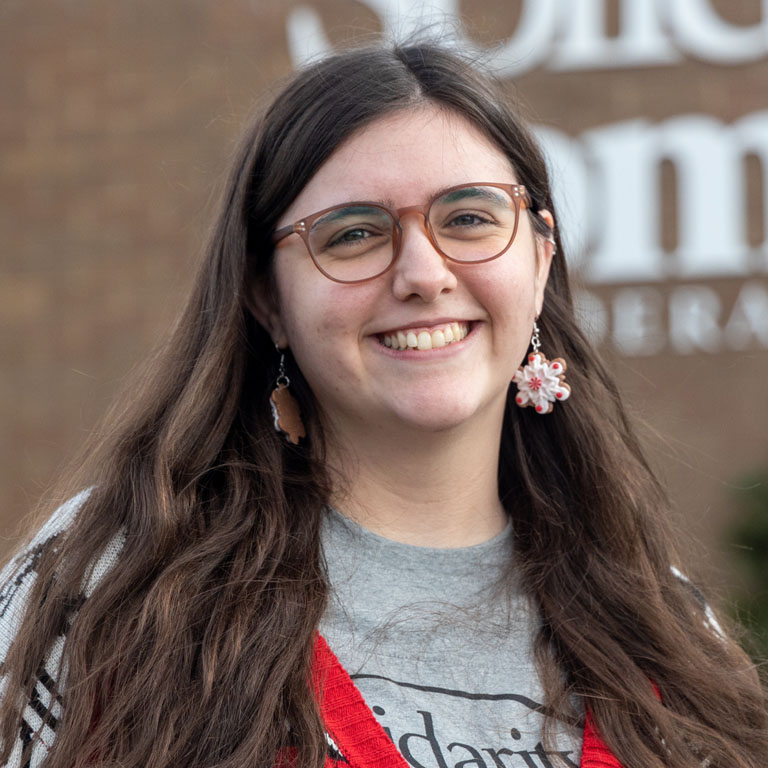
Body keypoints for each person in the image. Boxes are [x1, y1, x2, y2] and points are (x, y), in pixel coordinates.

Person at [0, 41, 765, 768]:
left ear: (539, 258)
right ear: (267, 296)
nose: (424, 275)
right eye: (355, 234)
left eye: (469, 217)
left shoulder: (665, 631)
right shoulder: (112, 584)